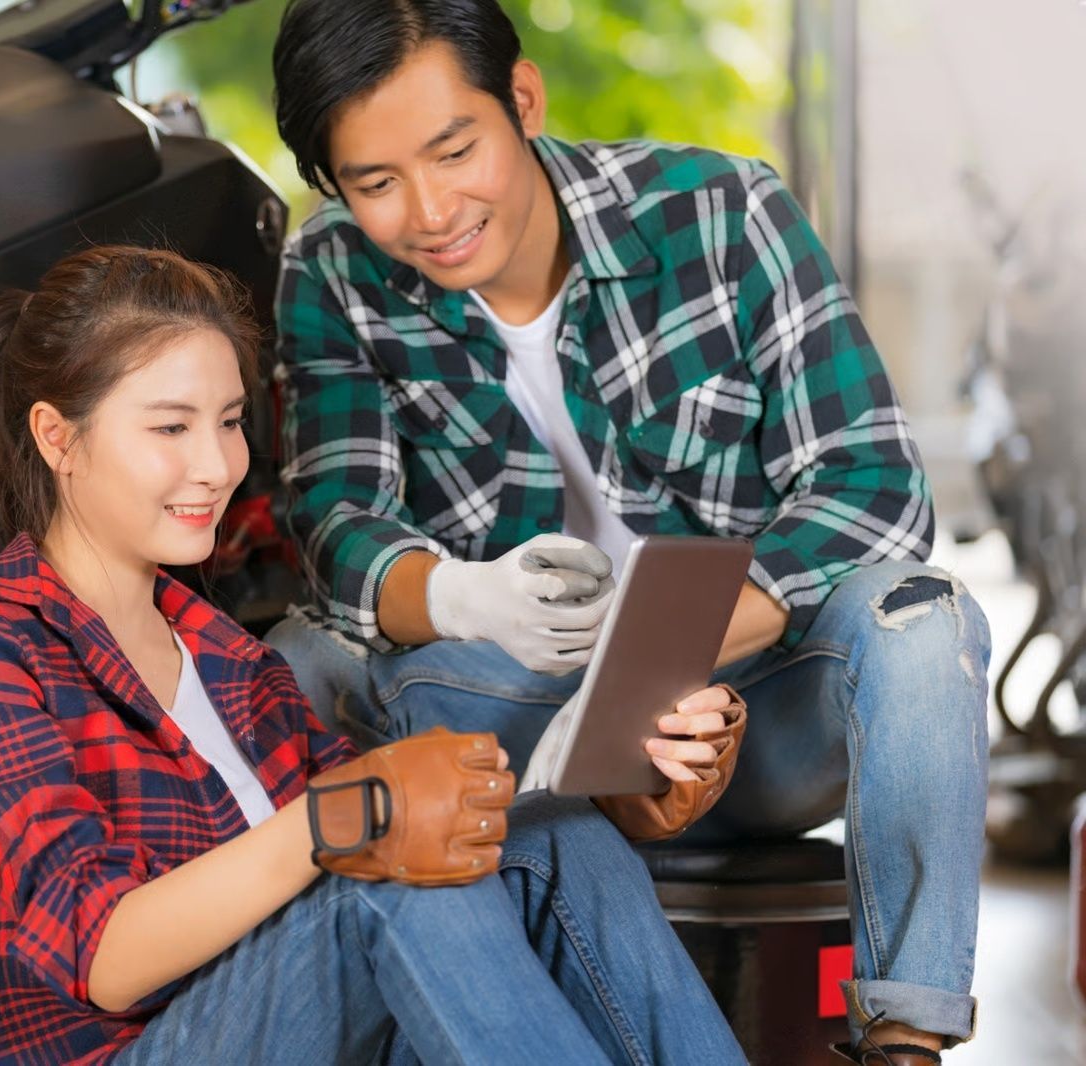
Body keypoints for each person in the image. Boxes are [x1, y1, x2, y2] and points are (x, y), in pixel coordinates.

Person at [263, 2, 993, 1063]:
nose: (429, 211)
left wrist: (657, 658)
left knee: (924, 623)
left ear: (522, 100)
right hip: (516, 735)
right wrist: (464, 596)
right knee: (298, 662)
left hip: (753, 714)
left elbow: (871, 485)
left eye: (454, 150)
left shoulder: (722, 212)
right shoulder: (332, 271)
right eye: (374, 183)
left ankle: (900, 1042)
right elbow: (337, 525)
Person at [0, 244, 751, 1065]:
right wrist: (355, 814)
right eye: (171, 428)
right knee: (384, 879)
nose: (217, 465)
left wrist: (629, 797)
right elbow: (102, 952)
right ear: (57, 437)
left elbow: (401, 856)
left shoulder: (230, 663)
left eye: (227, 422)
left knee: (558, 841)